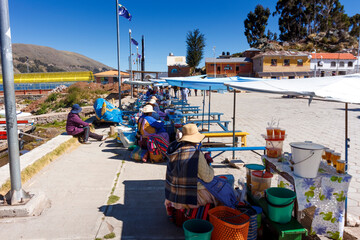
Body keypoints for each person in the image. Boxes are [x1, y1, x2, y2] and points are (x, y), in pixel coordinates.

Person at [164, 124, 217, 210]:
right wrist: (209, 165)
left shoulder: (173, 150)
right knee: (221, 189)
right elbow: (208, 178)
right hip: (189, 197)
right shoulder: (196, 154)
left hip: (173, 195)